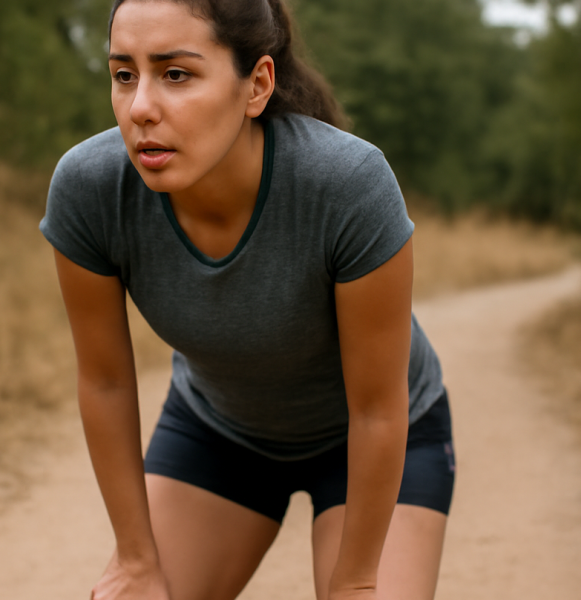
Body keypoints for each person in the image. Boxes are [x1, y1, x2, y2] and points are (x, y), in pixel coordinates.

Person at [40, 0, 454, 598]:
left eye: (176, 74)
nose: (141, 108)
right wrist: (135, 559)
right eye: (124, 74)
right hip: (219, 432)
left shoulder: (347, 185)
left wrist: (358, 580)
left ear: (257, 84)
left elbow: (377, 410)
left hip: (377, 437)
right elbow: (104, 382)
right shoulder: (90, 188)